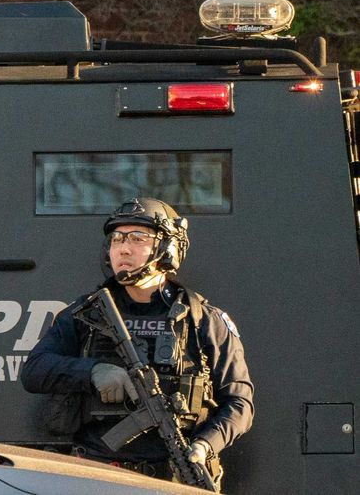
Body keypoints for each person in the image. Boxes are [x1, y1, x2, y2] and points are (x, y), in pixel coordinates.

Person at [20, 198, 253, 485]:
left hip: (173, 477)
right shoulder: (85, 314)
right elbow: (34, 370)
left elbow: (239, 403)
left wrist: (205, 445)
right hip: (97, 476)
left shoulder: (203, 320)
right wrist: (92, 371)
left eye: (138, 238)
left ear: (168, 248)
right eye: (117, 239)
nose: (124, 248)